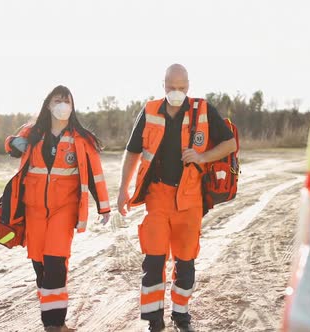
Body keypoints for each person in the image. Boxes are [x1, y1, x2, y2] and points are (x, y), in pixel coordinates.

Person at [117, 64, 237, 332]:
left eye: (181, 88)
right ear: (163, 85)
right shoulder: (149, 111)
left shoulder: (203, 111)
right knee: (154, 261)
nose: (176, 92)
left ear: (189, 86)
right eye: (171, 87)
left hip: (190, 200)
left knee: (185, 263)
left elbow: (230, 144)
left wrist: (203, 156)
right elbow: (133, 152)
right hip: (158, 197)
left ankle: (181, 317)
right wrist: (123, 189)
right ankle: (154, 322)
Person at [5, 85, 111, 331]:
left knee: (55, 262)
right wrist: (14, 143)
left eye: (67, 100)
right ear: (48, 105)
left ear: (72, 107)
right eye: (57, 100)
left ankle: (54, 324)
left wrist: (103, 207)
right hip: (34, 210)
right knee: (40, 265)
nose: (62, 104)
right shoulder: (33, 132)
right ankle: (52, 319)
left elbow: (96, 175)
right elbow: (9, 145)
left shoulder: (81, 139)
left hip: (64, 210)